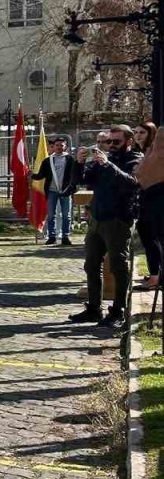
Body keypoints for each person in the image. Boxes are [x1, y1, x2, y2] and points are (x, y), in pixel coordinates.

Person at [70, 125, 142, 329]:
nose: (110, 145)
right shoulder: (102, 161)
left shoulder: (134, 159)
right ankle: (93, 308)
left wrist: (109, 165)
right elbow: (81, 180)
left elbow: (132, 183)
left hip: (118, 220)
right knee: (91, 264)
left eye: (116, 142)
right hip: (97, 218)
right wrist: (79, 162)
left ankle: (118, 310)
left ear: (128, 141)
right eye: (109, 141)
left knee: (119, 266)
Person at [31, 136, 78, 246]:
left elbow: (74, 175)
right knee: (51, 215)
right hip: (51, 191)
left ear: (65, 147)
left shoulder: (70, 160)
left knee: (66, 215)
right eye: (57, 145)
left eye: (61, 145)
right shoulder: (47, 160)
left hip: (65, 191)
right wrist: (31, 175)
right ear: (54, 146)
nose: (59, 147)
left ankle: (65, 236)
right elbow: (41, 175)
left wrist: (72, 188)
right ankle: (51, 236)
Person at [135, 123, 159, 285]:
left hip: (154, 201)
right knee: (147, 239)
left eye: (142, 132)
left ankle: (155, 276)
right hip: (144, 201)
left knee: (153, 240)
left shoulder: (154, 153)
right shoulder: (143, 152)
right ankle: (155, 273)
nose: (138, 135)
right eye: (136, 132)